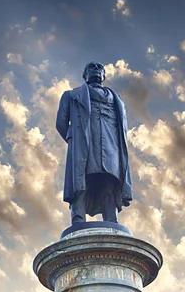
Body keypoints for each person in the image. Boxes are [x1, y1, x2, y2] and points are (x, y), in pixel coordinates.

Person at [56, 61, 132, 225]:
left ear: (104, 75)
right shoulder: (71, 95)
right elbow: (61, 123)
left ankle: (111, 219)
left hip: (111, 146)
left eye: (100, 68)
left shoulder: (117, 100)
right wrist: (75, 140)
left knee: (109, 181)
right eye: (92, 67)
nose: (96, 69)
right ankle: (78, 218)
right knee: (81, 179)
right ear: (85, 75)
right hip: (84, 144)